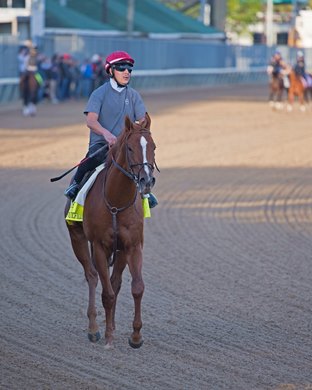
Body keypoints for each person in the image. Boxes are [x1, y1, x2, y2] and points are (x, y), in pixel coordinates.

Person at [64, 50, 158, 208]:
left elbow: (143, 120)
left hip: (126, 146)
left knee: (142, 161)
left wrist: (138, 131)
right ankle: (75, 187)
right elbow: (91, 121)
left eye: (129, 69)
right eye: (121, 68)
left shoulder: (134, 95)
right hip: (101, 144)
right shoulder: (99, 93)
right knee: (88, 162)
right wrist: (107, 134)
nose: (126, 72)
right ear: (110, 70)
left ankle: (146, 192)